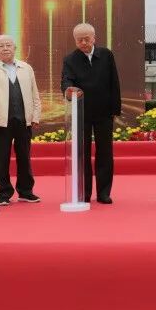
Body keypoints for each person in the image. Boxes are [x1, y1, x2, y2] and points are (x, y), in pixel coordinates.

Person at [0, 34, 42, 206]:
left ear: (15, 48)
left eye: (8, 45)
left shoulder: (26, 68)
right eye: (1, 46)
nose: (5, 48)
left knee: (24, 158)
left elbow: (35, 94)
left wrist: (35, 115)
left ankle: (26, 192)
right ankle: (4, 193)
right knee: (2, 159)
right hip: (0, 121)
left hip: (23, 120)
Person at [60, 23, 122, 205]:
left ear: (94, 38)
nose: (84, 43)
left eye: (87, 39)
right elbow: (66, 80)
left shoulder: (106, 55)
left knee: (105, 153)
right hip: (82, 113)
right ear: (75, 40)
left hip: (104, 112)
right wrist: (68, 90)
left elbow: (114, 82)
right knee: (82, 154)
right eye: (79, 40)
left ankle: (104, 193)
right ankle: (83, 193)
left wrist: (115, 109)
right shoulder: (70, 59)